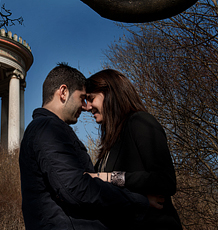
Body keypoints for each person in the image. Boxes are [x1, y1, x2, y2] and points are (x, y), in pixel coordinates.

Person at [19, 63, 161, 230]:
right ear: (63, 92)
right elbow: (76, 188)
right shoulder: (47, 129)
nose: (85, 107)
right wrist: (139, 201)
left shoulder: (45, 129)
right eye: (82, 98)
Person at [85, 69, 182, 230]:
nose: (87, 107)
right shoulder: (110, 144)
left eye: (91, 98)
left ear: (110, 93)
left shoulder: (140, 122)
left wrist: (110, 177)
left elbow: (166, 180)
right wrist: (141, 198)